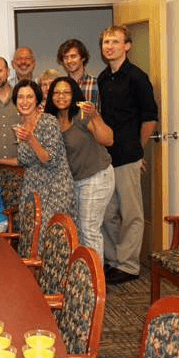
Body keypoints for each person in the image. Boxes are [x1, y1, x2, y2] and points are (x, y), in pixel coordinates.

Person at [98, 25, 158, 284]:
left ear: (127, 45)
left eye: (114, 41)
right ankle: (113, 260)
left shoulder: (137, 77)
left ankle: (129, 265)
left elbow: (150, 119)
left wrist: (137, 149)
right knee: (107, 213)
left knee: (132, 214)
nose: (109, 46)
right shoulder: (102, 78)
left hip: (128, 156)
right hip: (105, 158)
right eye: (105, 42)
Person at [0, 80, 75, 255]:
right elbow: (24, 159)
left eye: (29, 96)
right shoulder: (21, 125)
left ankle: (51, 280)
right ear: (15, 102)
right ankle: (31, 278)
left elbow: (49, 159)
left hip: (55, 188)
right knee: (30, 235)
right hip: (33, 187)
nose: (25, 101)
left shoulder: (48, 121)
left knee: (48, 239)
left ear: (37, 100)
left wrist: (31, 139)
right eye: (20, 97)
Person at [45, 77, 114, 263]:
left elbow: (109, 140)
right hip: (74, 181)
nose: (61, 96)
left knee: (89, 229)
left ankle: (94, 284)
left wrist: (95, 115)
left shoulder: (82, 114)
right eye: (57, 92)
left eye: (66, 92)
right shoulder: (51, 120)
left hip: (96, 176)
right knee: (78, 230)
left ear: (74, 94)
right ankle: (82, 276)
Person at [57, 38, 99, 107]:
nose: (69, 61)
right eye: (65, 58)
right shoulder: (60, 86)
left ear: (83, 58)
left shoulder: (96, 84)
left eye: (73, 56)